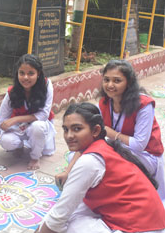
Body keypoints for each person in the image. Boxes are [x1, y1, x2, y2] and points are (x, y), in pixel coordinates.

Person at [33, 102, 165, 233]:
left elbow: (59, 217)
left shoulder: (89, 162)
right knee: (58, 221)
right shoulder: (105, 145)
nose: (69, 136)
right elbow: (67, 208)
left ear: (95, 131)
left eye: (77, 129)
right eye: (66, 129)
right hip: (152, 226)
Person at [55, 60, 165, 204]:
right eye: (106, 80)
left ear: (129, 82)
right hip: (117, 148)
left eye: (117, 80)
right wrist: (67, 171)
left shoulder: (144, 105)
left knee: (97, 161)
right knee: (77, 158)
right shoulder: (105, 102)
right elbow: (90, 139)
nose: (110, 85)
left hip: (145, 156)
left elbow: (139, 145)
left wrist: (109, 132)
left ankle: (113, 197)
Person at [0, 54, 56, 170]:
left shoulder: (46, 85)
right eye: (21, 73)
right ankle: (19, 146)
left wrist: (16, 119)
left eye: (31, 73)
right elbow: (0, 121)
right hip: (19, 127)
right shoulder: (12, 92)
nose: (25, 77)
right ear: (17, 74)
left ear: (38, 74)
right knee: (6, 141)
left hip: (39, 125)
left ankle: (35, 157)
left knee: (37, 127)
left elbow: (43, 115)